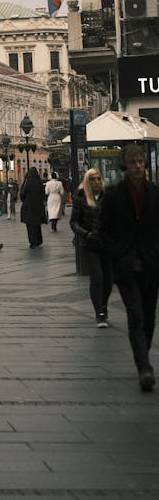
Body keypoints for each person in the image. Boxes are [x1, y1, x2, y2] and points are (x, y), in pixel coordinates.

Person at [100, 144, 159, 392]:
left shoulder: (154, 193)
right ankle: (144, 366)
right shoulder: (114, 195)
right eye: (133, 162)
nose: (138, 166)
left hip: (151, 265)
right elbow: (103, 229)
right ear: (125, 165)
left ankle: (142, 356)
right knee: (136, 315)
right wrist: (117, 252)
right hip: (126, 267)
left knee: (149, 318)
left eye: (141, 161)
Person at [70, 168, 113, 327]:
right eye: (93, 179)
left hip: (106, 243)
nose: (97, 182)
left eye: (98, 179)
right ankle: (99, 313)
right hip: (89, 244)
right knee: (97, 278)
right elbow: (74, 222)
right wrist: (86, 234)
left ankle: (104, 305)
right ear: (87, 181)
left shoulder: (107, 197)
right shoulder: (81, 197)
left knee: (108, 279)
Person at [20, 166, 46, 249]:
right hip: (38, 206)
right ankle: (39, 240)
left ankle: (32, 242)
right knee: (37, 224)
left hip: (28, 206)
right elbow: (43, 194)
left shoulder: (27, 182)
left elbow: (22, 194)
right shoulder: (39, 182)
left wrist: (25, 200)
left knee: (30, 225)